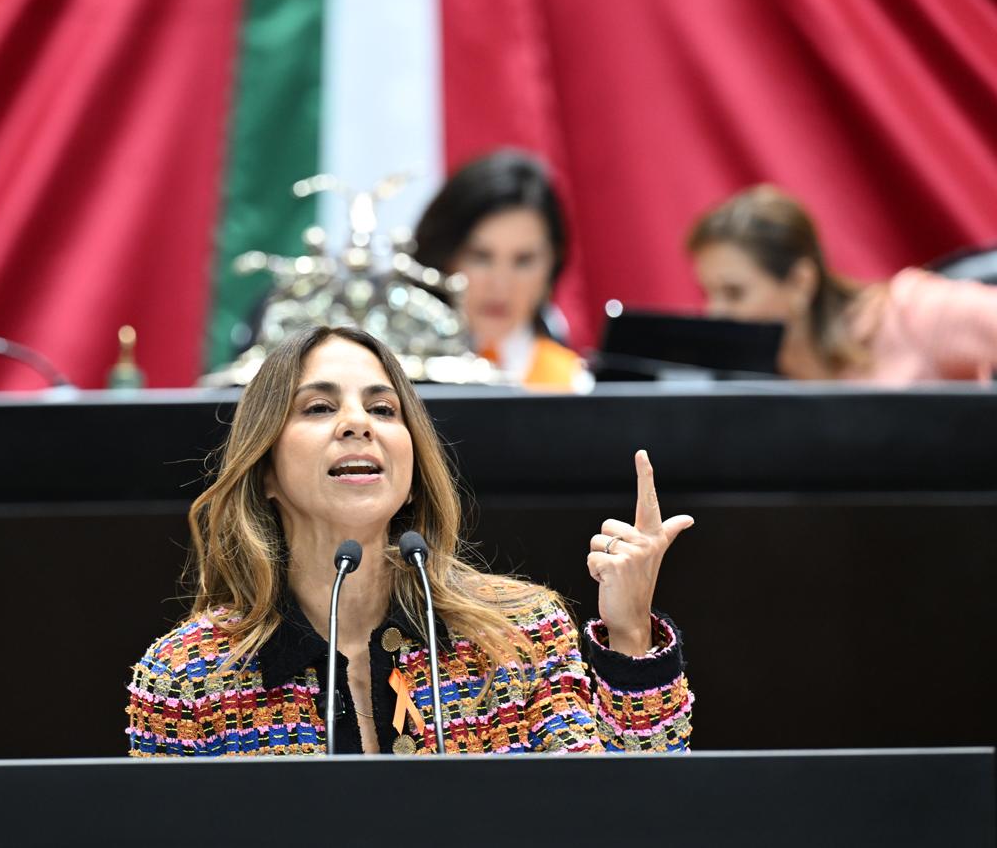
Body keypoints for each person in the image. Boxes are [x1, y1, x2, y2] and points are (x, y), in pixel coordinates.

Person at [126, 325, 693, 756]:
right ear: (265, 469)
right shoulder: (187, 678)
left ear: (412, 465)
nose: (359, 423)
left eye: (383, 408)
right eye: (319, 407)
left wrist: (629, 632)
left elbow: (627, 818)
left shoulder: (519, 635)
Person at [687, 184, 997, 382]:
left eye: (734, 293)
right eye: (708, 294)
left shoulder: (911, 312)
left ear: (800, 282)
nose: (716, 313)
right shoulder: (749, 381)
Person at [414, 150, 590, 391]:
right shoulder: (395, 379)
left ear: (552, 265)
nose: (500, 285)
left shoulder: (576, 385)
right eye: (481, 257)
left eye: (524, 261)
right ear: (446, 258)